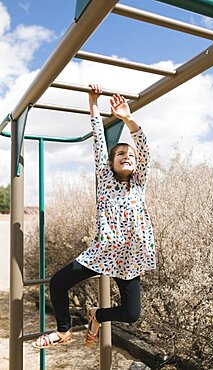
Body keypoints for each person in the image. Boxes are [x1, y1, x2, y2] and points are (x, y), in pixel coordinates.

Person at [32, 84, 156, 349]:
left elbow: (144, 150)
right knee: (58, 283)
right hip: (102, 252)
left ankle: (96, 315)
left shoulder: (139, 182)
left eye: (130, 155)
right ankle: (63, 331)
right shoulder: (105, 179)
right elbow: (100, 140)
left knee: (132, 314)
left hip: (129, 258)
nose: (127, 157)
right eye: (121, 154)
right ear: (110, 163)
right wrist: (93, 104)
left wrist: (127, 118)